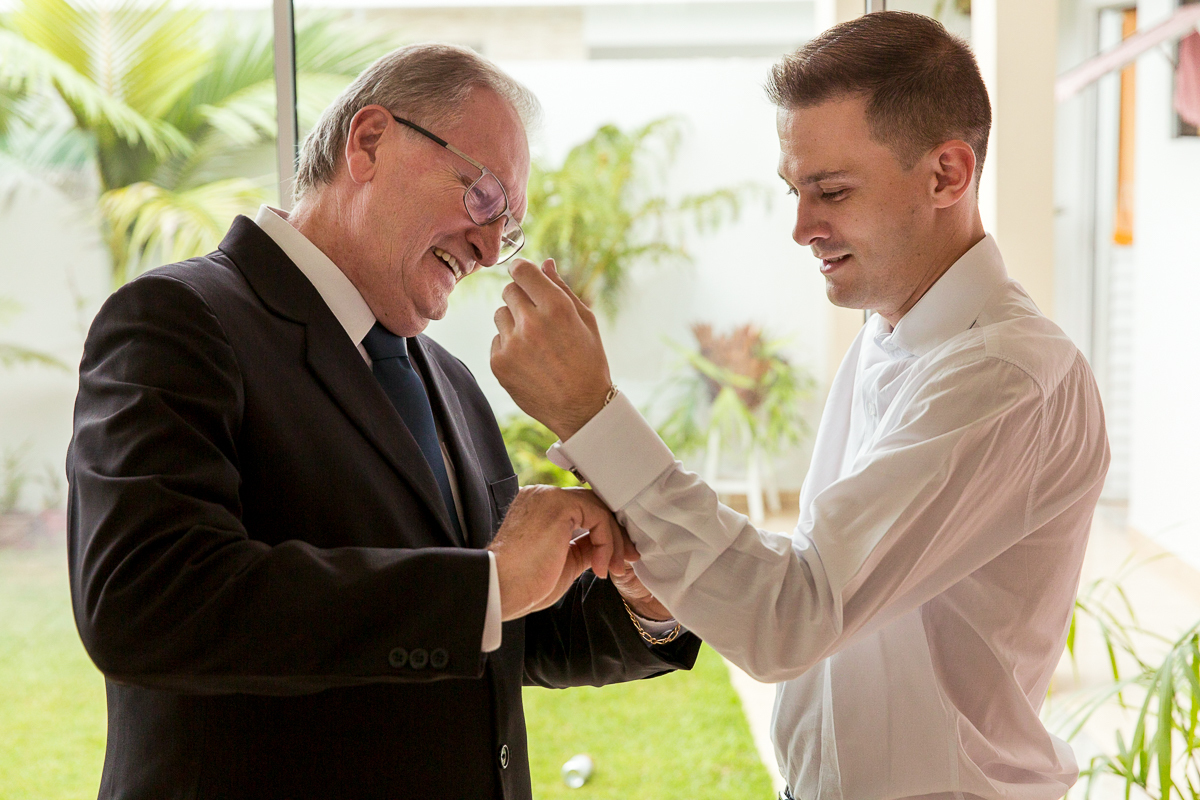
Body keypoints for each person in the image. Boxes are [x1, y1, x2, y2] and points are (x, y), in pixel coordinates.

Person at [490, 11, 1110, 800]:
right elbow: (828, 572)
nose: (800, 227)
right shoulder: (891, 333)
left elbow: (793, 616)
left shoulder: (1004, 377)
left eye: (832, 191)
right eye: (795, 190)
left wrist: (592, 413)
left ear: (947, 175)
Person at [66, 43, 698, 800]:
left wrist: (644, 601)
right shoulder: (176, 319)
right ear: (368, 142)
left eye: (508, 228)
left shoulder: (450, 381)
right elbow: (146, 602)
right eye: (485, 197)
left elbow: (490, 630)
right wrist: (488, 583)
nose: (490, 248)